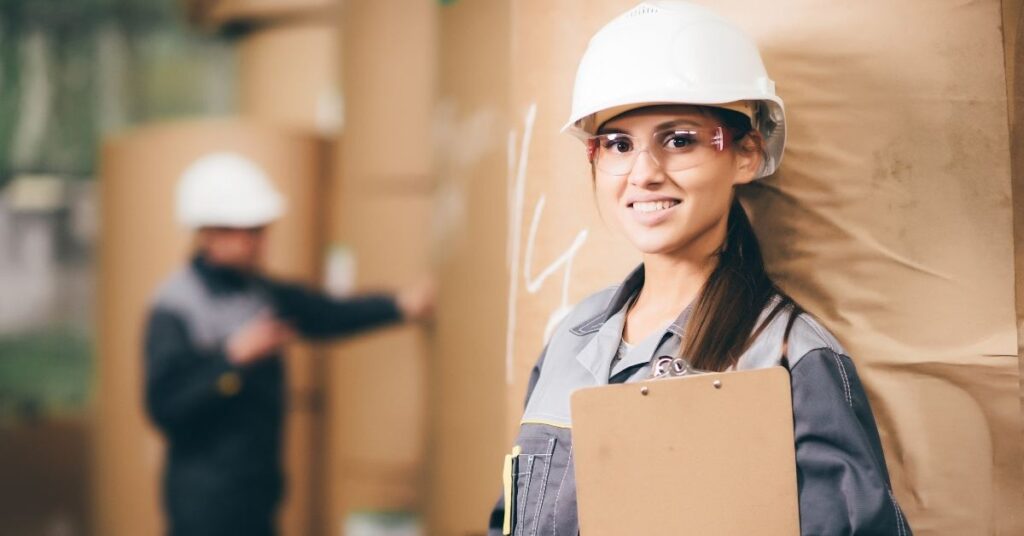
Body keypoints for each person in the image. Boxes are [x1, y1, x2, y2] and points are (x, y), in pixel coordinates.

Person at [487, 2, 912, 535]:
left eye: (680, 139)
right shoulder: (572, 339)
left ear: (746, 153)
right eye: (618, 144)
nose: (643, 173)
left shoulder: (788, 357)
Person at [143, 152, 434, 536]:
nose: (261, 242)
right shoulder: (176, 307)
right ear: (210, 233)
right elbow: (164, 405)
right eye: (250, 231)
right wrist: (233, 358)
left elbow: (325, 315)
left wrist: (399, 306)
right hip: (205, 506)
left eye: (262, 230)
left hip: (257, 496)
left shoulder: (259, 292)